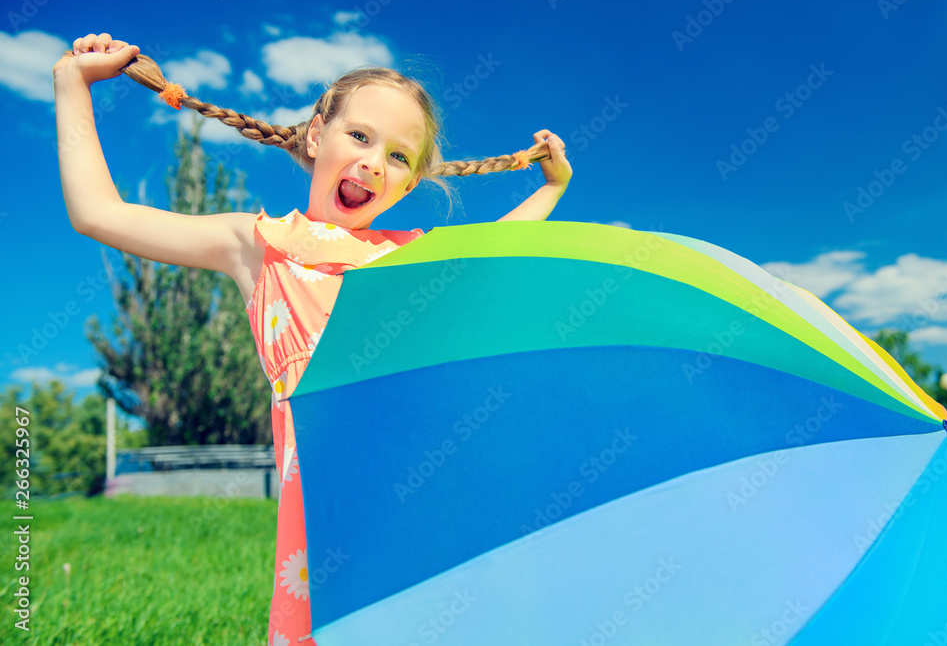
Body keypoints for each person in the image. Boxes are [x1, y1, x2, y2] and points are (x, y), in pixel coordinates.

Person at [54, 33, 572, 645]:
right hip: (320, 490)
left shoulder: (405, 259)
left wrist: (551, 187)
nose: (376, 163)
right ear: (316, 131)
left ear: (408, 186)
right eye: (360, 136)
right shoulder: (255, 242)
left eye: (401, 158)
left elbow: (494, 249)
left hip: (421, 469)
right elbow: (98, 213)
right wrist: (72, 85)